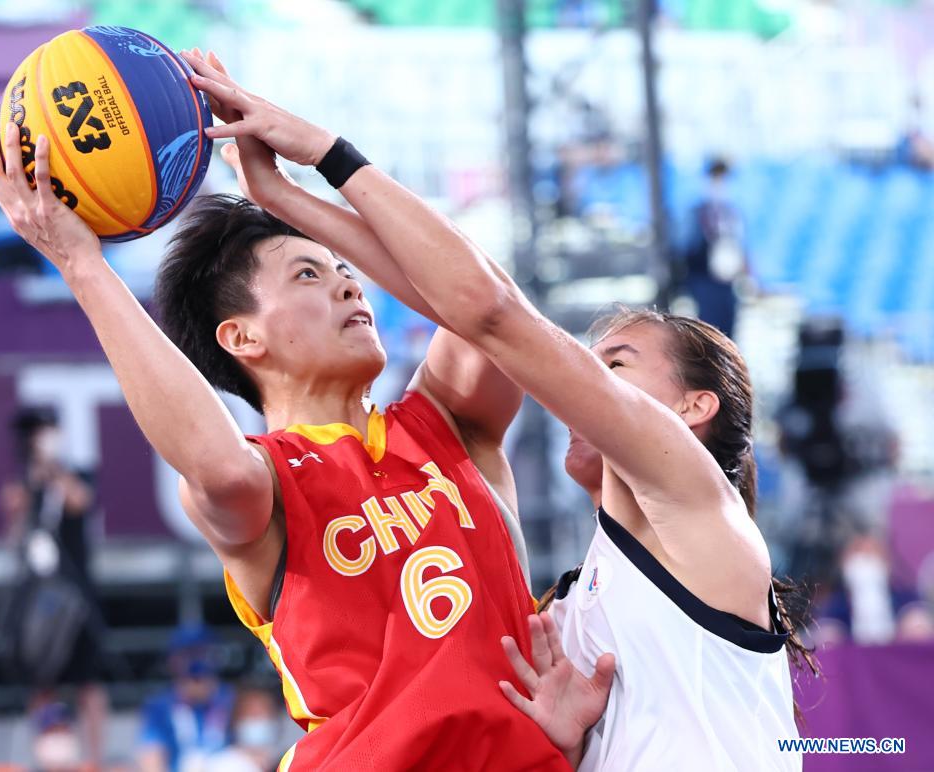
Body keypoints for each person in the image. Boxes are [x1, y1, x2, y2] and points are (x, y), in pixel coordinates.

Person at [179, 55, 810, 770]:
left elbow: (487, 316)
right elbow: (480, 319)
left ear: (695, 408)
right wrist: (567, 739)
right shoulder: (568, 613)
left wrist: (324, 163)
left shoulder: (700, 509)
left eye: (615, 366)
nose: (578, 382)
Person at [0, 46, 609, 766]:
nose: (351, 288)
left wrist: (306, 177)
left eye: (350, 271)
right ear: (241, 336)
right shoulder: (264, 483)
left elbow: (489, 309)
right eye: (311, 275)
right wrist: (82, 264)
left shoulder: (450, 424)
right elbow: (215, 467)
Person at [0, 406, 107, 768]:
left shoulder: (75, 473)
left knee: (87, 678)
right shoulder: (24, 484)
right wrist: (22, 501)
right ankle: (46, 753)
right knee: (39, 676)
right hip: (36, 593)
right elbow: (16, 540)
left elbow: (81, 502)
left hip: (73, 590)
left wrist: (53, 470)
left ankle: (93, 757)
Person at [137, 626, 235, 772]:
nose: (196, 661)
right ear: (172, 661)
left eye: (203, 653)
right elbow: (151, 758)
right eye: (187, 654)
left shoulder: (232, 699)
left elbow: (256, 752)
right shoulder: (159, 706)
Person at [680, 158, 747, 338]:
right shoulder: (697, 212)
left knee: (728, 327)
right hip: (704, 279)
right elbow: (687, 246)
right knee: (709, 328)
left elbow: (739, 244)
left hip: (726, 282)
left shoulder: (732, 212)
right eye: (716, 177)